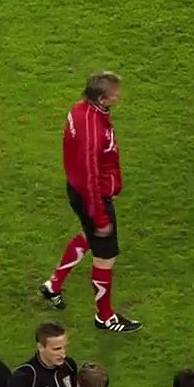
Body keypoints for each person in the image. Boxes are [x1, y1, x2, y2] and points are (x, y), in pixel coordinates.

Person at [39, 70, 142, 333]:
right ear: (103, 99)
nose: (119, 97)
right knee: (105, 255)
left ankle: (54, 285)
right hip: (91, 196)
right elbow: (89, 176)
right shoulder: (92, 131)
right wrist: (101, 217)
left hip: (81, 190)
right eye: (115, 94)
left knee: (88, 236)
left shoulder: (81, 109)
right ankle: (105, 317)